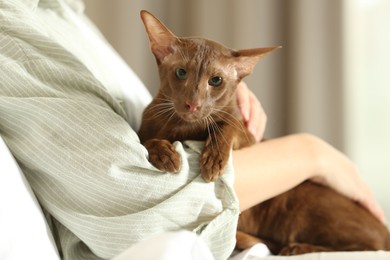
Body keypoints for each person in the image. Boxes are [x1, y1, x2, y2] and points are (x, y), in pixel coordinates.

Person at [0, 1, 386, 260]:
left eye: (214, 83)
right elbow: (140, 190)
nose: (194, 100)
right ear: (160, 50)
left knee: (321, 213)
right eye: (181, 73)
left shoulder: (65, 13)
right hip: (232, 227)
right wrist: (310, 152)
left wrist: (225, 105)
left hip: (283, 210)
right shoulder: (15, 30)